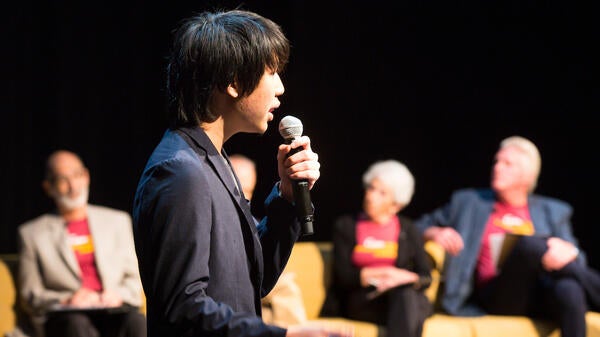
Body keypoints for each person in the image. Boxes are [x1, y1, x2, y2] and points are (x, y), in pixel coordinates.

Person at [131, 9, 345, 337]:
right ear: (232, 82)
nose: (281, 88)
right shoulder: (180, 173)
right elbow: (182, 308)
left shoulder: (212, 159)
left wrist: (287, 198)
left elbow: (252, 279)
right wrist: (282, 335)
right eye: (271, 71)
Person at [415, 135, 600, 337]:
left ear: (527, 176)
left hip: (541, 294)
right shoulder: (468, 202)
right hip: (498, 295)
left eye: (507, 164)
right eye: (496, 161)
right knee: (529, 245)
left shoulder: (553, 211)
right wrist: (435, 232)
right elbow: (416, 226)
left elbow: (578, 260)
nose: (497, 167)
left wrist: (569, 251)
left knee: (569, 288)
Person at [17, 150, 146, 337]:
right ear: (48, 187)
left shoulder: (117, 221)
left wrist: (117, 295)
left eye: (77, 175)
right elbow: (31, 294)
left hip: (112, 310)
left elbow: (134, 279)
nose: (73, 186)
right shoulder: (31, 234)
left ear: (86, 176)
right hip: (67, 317)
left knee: (136, 322)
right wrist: (68, 300)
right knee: (76, 324)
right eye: (63, 179)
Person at [330, 160, 433, 337]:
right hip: (365, 299)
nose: (371, 196)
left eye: (382, 193)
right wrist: (386, 273)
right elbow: (344, 276)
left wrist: (398, 278)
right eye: (371, 188)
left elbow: (425, 277)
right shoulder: (346, 225)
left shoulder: (407, 228)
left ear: (396, 205)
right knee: (409, 303)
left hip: (401, 298)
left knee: (406, 297)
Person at [229, 153, 308, 328]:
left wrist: (289, 194)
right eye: (236, 189)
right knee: (285, 285)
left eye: (247, 191)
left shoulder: (255, 223)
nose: (241, 197)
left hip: (257, 297)